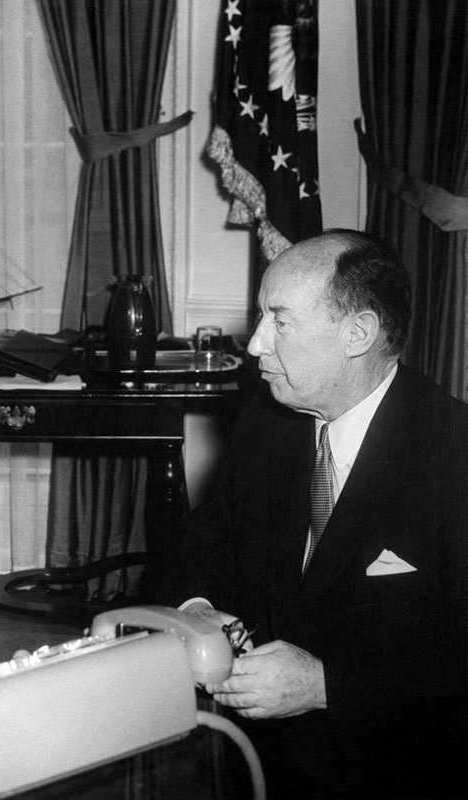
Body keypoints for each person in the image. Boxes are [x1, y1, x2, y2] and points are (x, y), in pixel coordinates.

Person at [154, 230, 468, 798]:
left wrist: (328, 685)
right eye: (259, 318)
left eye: (280, 320)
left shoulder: (454, 455)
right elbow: (208, 538)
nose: (253, 345)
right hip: (256, 764)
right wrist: (200, 611)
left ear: (358, 334)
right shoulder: (267, 423)